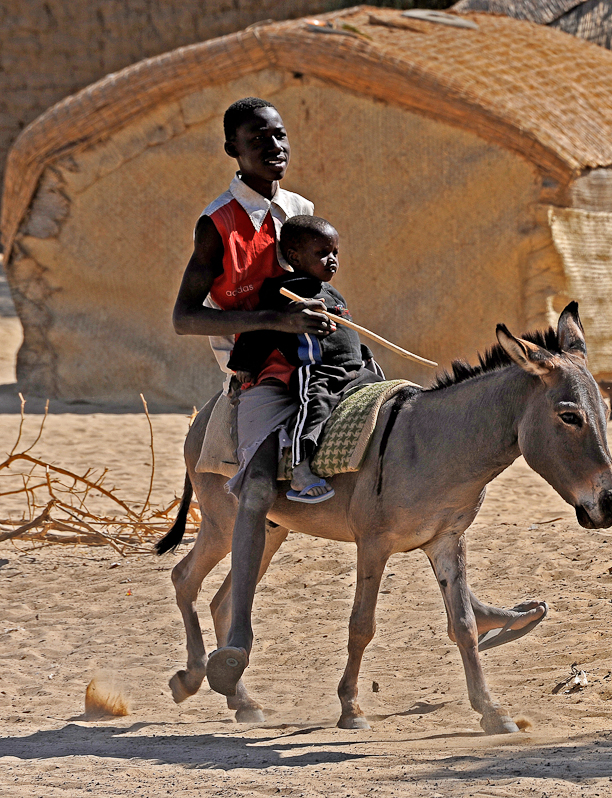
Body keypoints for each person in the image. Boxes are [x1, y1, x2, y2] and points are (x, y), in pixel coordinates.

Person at [172, 97, 330, 696]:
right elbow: (186, 318)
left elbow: (316, 278)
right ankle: (230, 635)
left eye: (280, 136)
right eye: (258, 139)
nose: (274, 147)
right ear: (233, 150)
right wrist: (272, 321)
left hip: (308, 363)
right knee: (258, 489)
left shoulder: (300, 211)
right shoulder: (216, 225)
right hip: (254, 372)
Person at [227, 215, 382, 504]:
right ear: (295, 257)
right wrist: (245, 365)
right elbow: (261, 330)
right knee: (316, 406)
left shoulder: (333, 293)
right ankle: (300, 468)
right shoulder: (283, 290)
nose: (332, 260)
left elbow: (346, 334)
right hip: (317, 371)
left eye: (335, 252)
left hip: (353, 369)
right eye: (322, 253)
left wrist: (364, 359)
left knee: (385, 395)